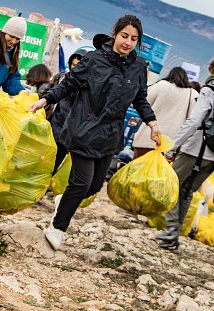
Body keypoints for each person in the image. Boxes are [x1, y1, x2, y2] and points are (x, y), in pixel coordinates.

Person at [28, 15, 161, 250]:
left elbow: (140, 98)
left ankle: (64, 200)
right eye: (124, 36)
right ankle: (57, 227)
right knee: (81, 183)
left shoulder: (139, 67)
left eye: (134, 39)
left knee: (94, 187)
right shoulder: (94, 59)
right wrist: (45, 100)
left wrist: (152, 123)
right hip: (84, 127)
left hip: (110, 133)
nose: (128, 42)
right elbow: (69, 84)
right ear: (114, 34)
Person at [155, 55, 214, 250]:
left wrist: (172, 145)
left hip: (196, 149)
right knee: (187, 191)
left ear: (212, 70)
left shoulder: (210, 90)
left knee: (172, 184)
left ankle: (170, 231)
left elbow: (194, 121)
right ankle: (175, 233)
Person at [131, 66, 198, 160]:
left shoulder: (161, 85)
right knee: (158, 173)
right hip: (170, 143)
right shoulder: (193, 94)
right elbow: (194, 118)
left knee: (136, 169)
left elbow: (143, 102)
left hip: (148, 136)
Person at [46, 51, 86, 174]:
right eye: (73, 65)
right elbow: (49, 92)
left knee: (56, 160)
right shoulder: (62, 77)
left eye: (78, 65)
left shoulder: (87, 84)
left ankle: (45, 184)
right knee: (44, 156)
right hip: (54, 122)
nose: (75, 68)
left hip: (69, 129)